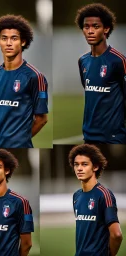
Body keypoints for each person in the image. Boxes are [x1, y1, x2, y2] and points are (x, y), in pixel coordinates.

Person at [0, 15, 48, 148]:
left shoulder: (35, 77)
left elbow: (42, 119)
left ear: (23, 42)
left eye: (14, 38)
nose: (8, 43)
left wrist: (20, 141)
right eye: (4, 38)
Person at [75, 3, 126, 144]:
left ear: (106, 29)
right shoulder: (83, 61)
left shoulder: (118, 60)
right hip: (89, 136)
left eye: (95, 27)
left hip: (114, 138)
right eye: (86, 27)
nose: (90, 31)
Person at [69, 144, 123, 256]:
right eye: (76, 164)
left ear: (95, 167)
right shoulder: (76, 196)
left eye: (84, 164)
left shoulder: (104, 194)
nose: (79, 168)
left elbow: (116, 234)